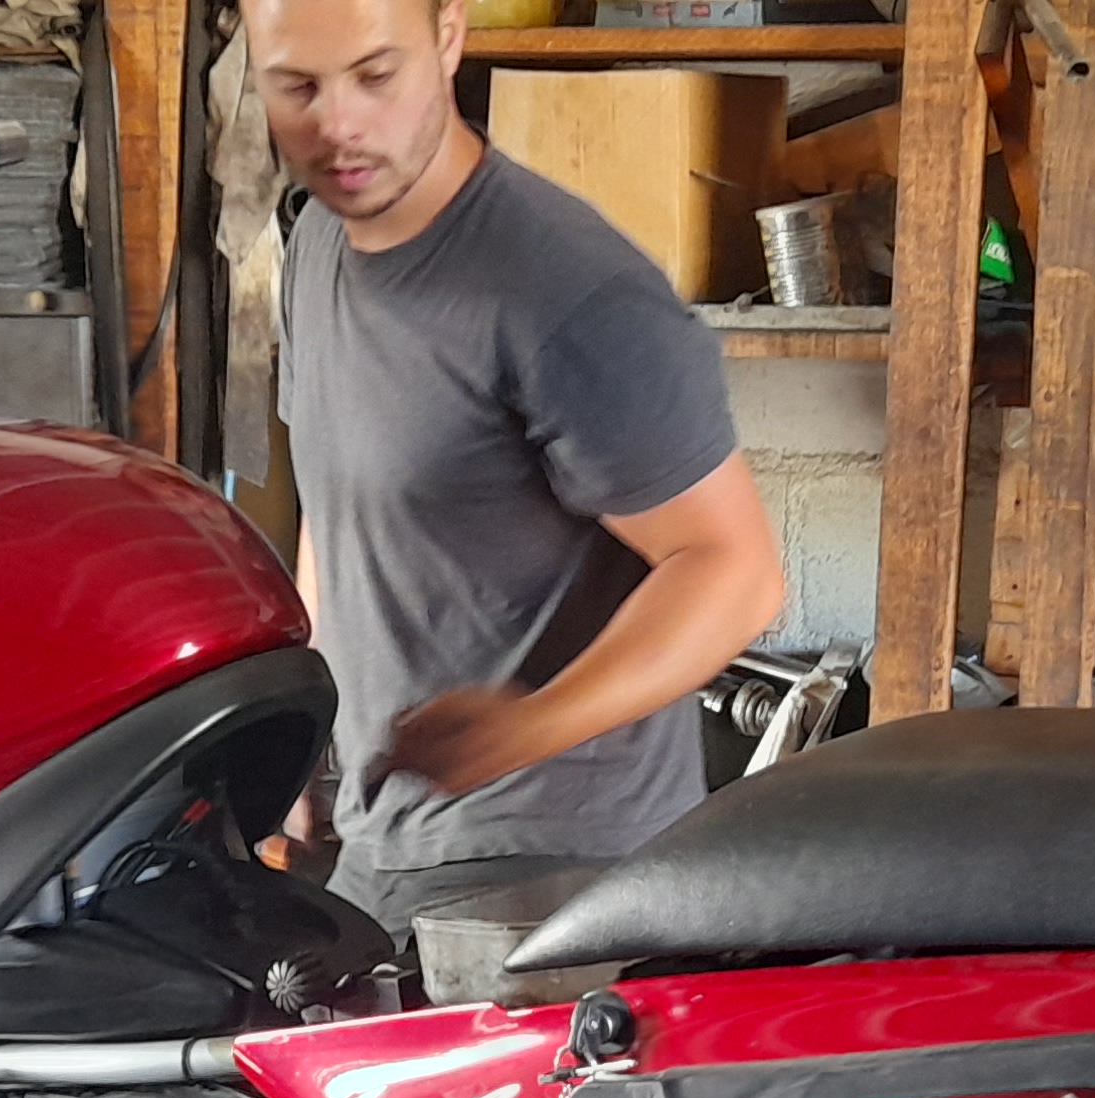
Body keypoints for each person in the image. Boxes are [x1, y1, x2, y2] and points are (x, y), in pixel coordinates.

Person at [250, 0, 788, 937]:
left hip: (552, 872)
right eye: (298, 86)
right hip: (380, 840)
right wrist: (309, 729)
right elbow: (335, 521)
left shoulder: (567, 292)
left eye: (376, 77)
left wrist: (525, 728)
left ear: (448, 38)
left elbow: (734, 573)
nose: (338, 125)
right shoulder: (318, 244)